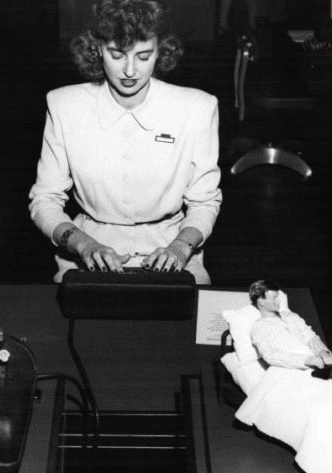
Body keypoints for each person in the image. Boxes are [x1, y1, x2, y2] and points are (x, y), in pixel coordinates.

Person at [29, 0, 222, 284]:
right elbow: (45, 200)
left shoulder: (198, 108)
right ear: (97, 49)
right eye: (117, 54)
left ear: (160, 51)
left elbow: (204, 202)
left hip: (174, 247)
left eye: (144, 56)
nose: (130, 71)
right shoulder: (63, 105)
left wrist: (181, 247)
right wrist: (83, 244)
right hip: (88, 249)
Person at [248, 279, 332, 370]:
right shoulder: (258, 327)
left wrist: (322, 353)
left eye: (278, 297)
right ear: (261, 301)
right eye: (274, 298)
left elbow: (310, 337)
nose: (279, 301)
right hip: (288, 368)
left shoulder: (292, 317)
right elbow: (270, 355)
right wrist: (307, 360)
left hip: (317, 362)